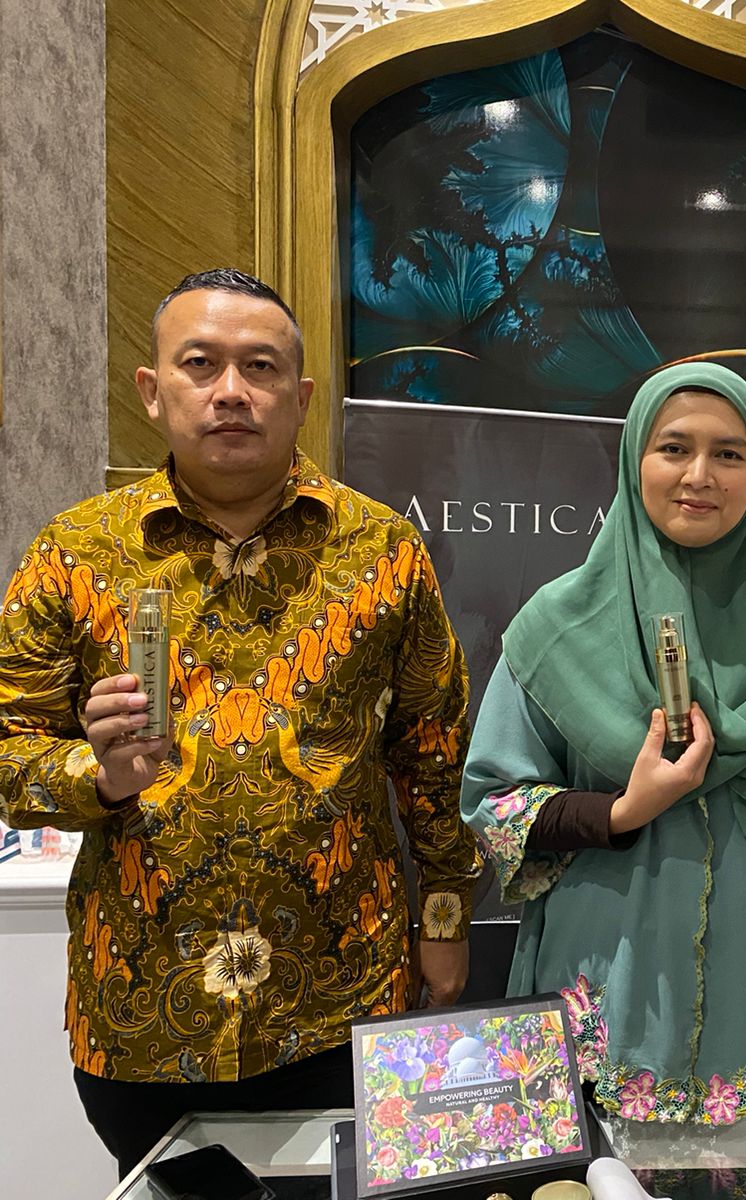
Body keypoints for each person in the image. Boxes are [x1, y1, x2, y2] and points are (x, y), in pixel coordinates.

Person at [0, 269, 482, 1175]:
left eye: (260, 367)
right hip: (142, 1006)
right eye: (201, 364)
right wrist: (96, 777)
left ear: (301, 397)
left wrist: (446, 918)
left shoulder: (382, 551)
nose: (231, 391)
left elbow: (435, 751)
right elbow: (7, 751)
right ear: (153, 390)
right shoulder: (75, 553)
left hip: (344, 995)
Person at [461, 362, 746, 1125]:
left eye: (730, 454)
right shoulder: (556, 627)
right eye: (674, 448)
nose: (700, 475)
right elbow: (495, 804)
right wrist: (624, 810)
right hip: (604, 976)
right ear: (634, 461)